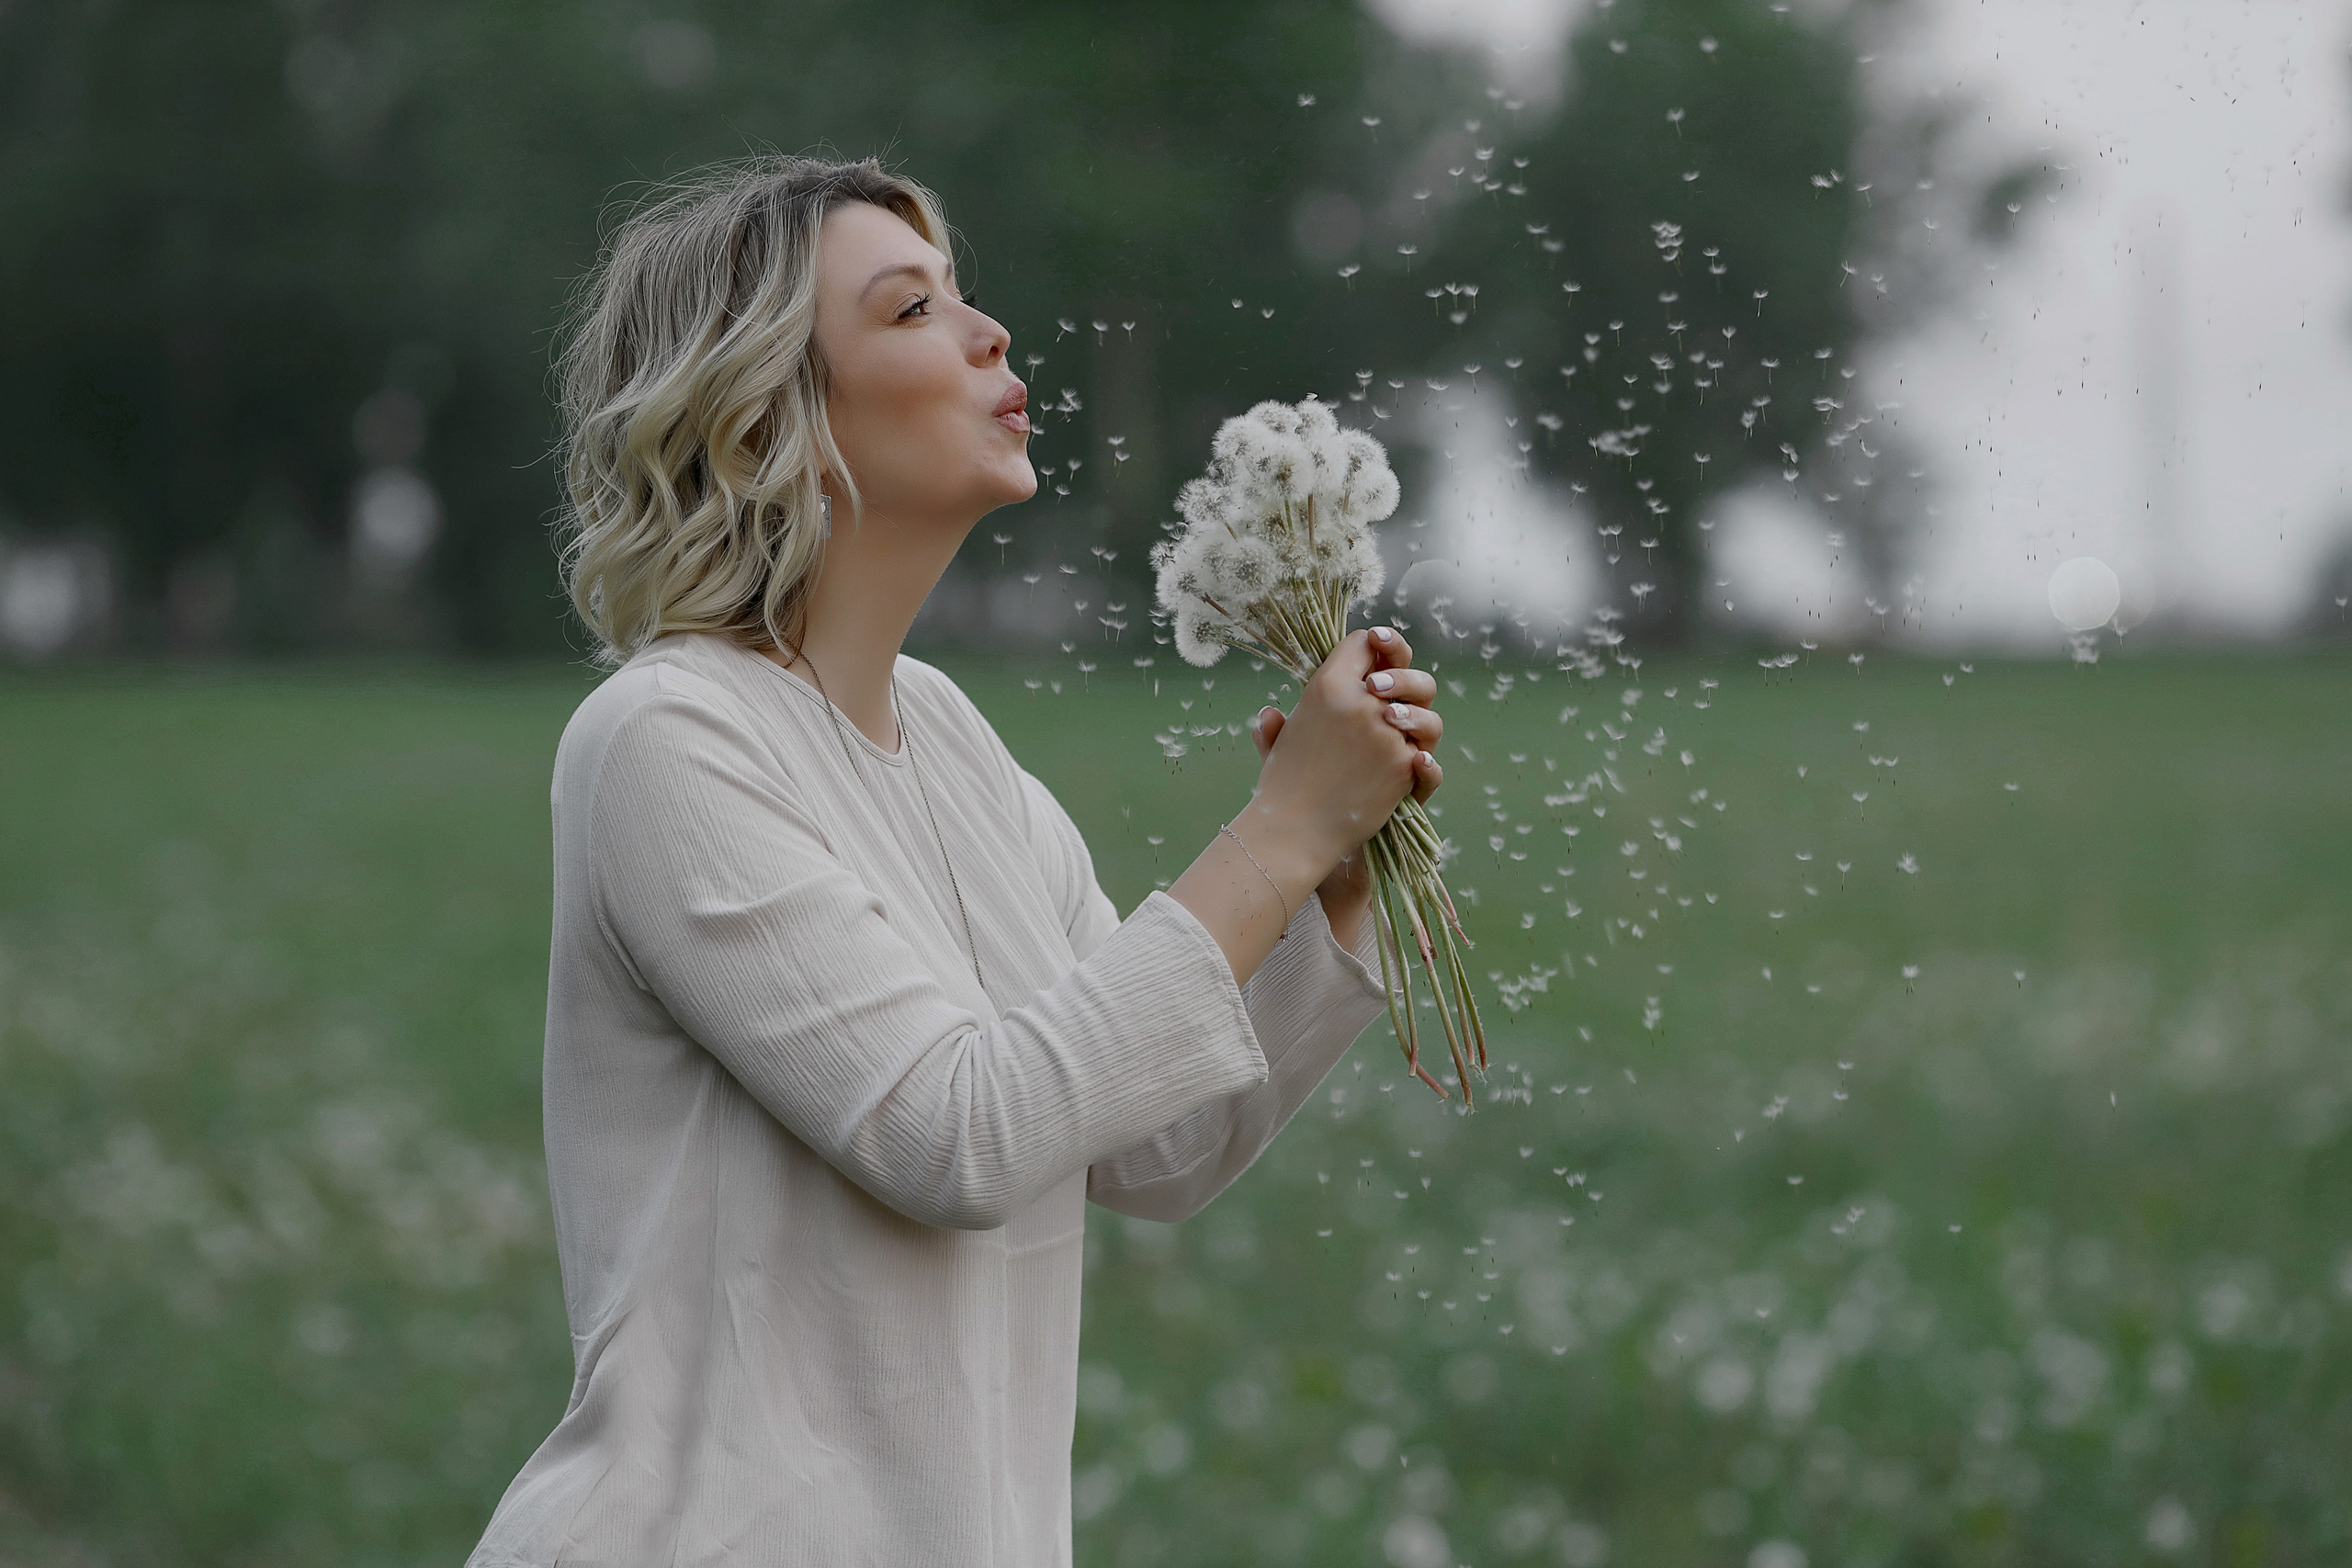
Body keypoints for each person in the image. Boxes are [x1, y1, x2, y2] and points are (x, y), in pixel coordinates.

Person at [466, 155, 1447, 1567]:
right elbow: (961, 1134)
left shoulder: (952, 738)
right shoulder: (665, 741)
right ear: (762, 427)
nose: (990, 332)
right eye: (914, 308)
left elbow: (1151, 1141)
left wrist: (1332, 873)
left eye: (966, 296)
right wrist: (1279, 826)